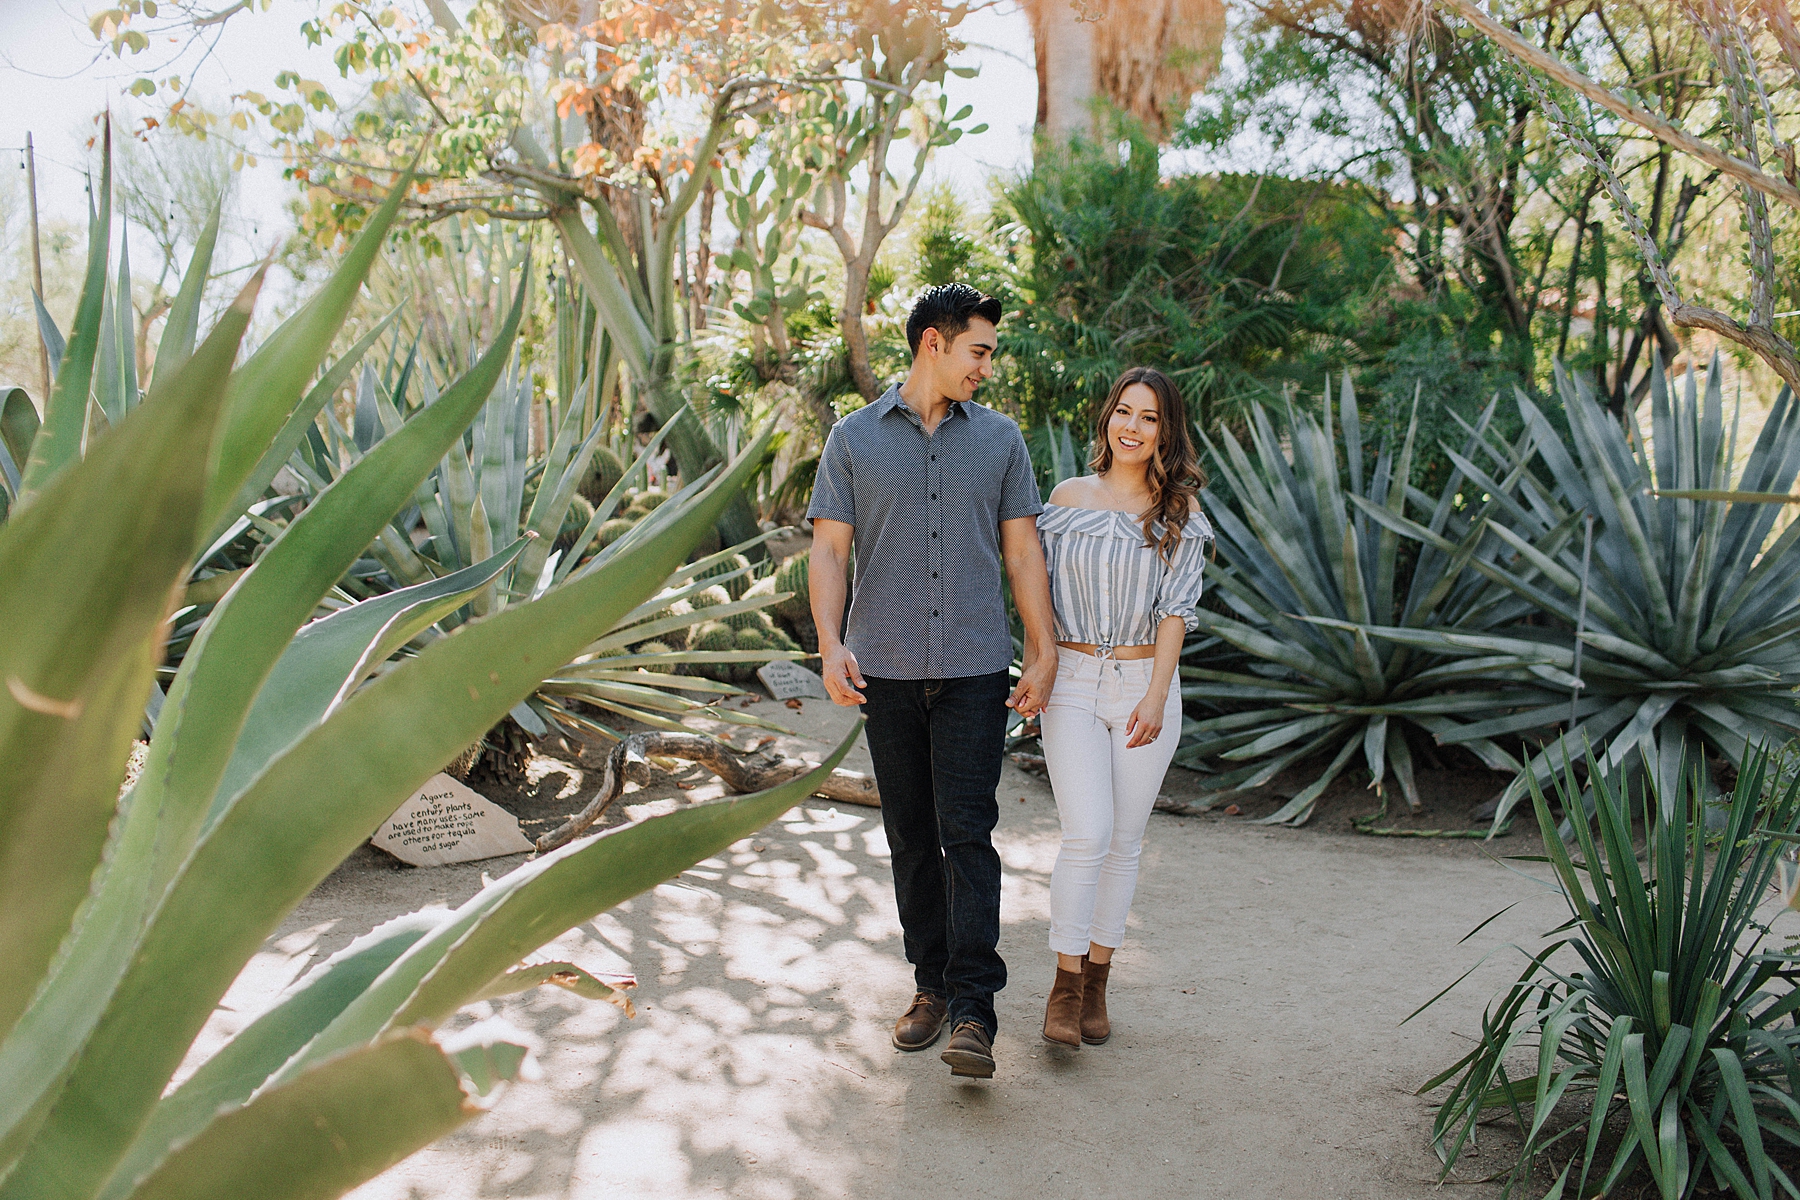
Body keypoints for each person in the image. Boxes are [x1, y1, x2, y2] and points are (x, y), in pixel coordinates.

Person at [807, 283, 1058, 1080]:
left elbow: (1023, 553)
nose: (986, 366)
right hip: (884, 671)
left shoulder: (1002, 442)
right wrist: (828, 644)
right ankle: (930, 987)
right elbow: (829, 552)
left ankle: (976, 1008)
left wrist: (1042, 649)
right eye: (978, 350)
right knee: (911, 837)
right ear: (932, 345)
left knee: (969, 834)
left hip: (977, 670)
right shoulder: (851, 440)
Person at [1034, 366, 1210, 1050]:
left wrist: (1158, 696)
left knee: (1124, 842)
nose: (1132, 428)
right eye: (1124, 412)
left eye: (1149, 418)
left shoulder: (1179, 514)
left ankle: (1099, 979)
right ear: (1107, 417)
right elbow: (1036, 594)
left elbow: (1176, 612)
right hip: (1072, 680)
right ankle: (1064, 986)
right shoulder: (1067, 498)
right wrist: (1038, 669)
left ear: (1166, 432)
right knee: (1087, 832)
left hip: (1143, 682)